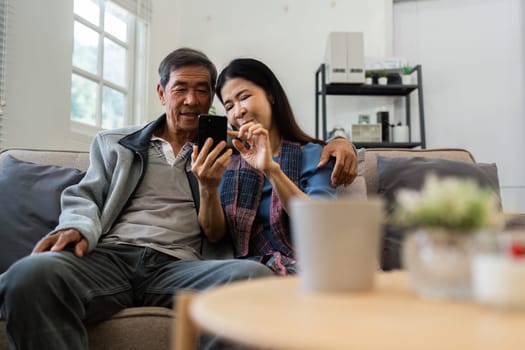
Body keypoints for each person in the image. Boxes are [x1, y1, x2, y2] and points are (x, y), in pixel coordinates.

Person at [0, 48, 356, 350]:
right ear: (161, 92)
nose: (191, 100)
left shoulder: (228, 151)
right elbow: (86, 195)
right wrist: (77, 226)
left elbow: (284, 149)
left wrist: (341, 140)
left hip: (180, 266)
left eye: (203, 91)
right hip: (109, 257)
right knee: (29, 275)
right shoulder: (114, 143)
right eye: (180, 89)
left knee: (250, 277)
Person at [192, 58, 337, 275]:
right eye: (229, 106)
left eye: (244, 97)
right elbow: (214, 235)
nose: (238, 111)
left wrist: (271, 169)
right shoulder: (228, 163)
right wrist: (207, 187)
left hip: (308, 263)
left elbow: (320, 223)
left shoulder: (314, 154)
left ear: (270, 94)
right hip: (246, 271)